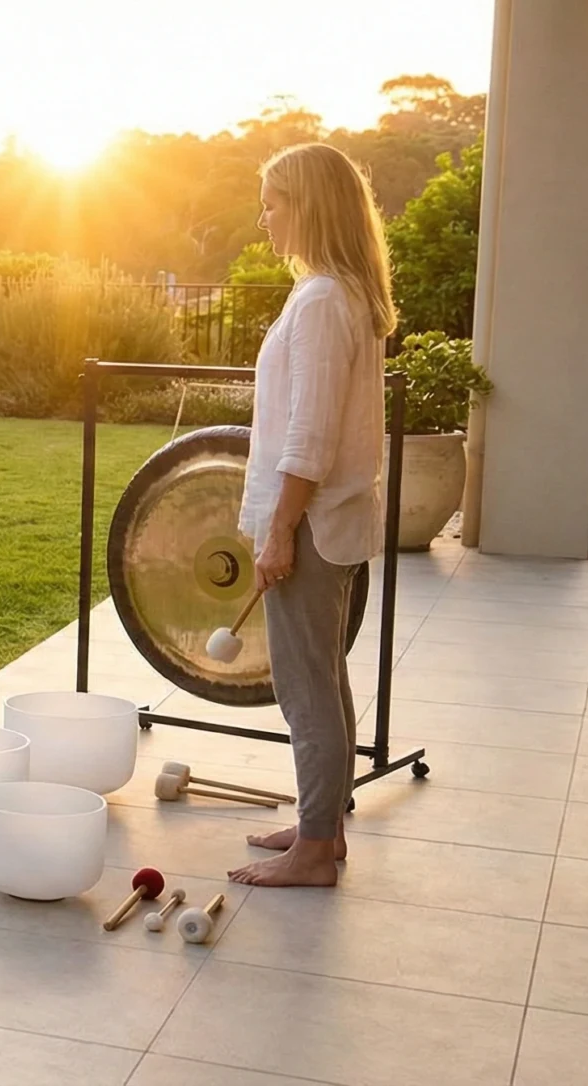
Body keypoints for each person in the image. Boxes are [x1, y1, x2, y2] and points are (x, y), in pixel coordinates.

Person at [227, 143, 393, 889]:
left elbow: (310, 436)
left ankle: (316, 852)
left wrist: (279, 527)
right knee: (325, 678)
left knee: (305, 687)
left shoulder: (325, 299)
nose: (264, 218)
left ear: (309, 206)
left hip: (313, 524)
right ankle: (321, 826)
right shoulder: (337, 294)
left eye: (273, 202)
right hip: (330, 522)